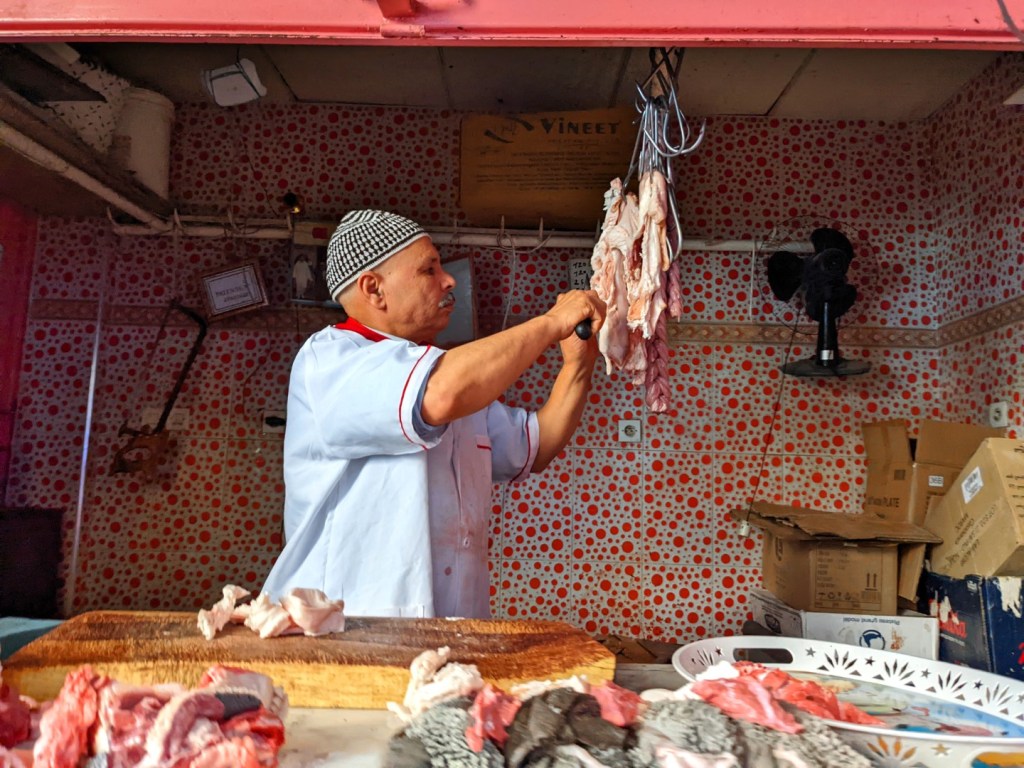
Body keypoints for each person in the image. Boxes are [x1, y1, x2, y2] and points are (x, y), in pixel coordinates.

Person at [261, 209, 606, 618]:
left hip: (451, 627)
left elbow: (537, 446)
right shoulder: (332, 358)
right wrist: (551, 323)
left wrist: (578, 365)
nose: (448, 280)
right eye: (429, 270)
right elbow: (440, 395)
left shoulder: (438, 373)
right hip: (347, 626)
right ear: (374, 289)